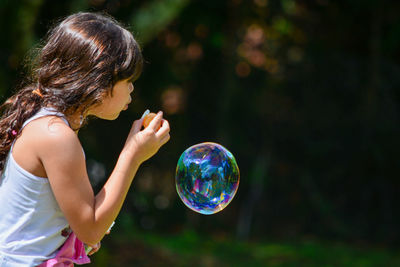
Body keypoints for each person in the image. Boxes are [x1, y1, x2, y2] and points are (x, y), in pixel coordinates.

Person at [0, 12, 170, 266]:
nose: (132, 89)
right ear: (99, 84)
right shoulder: (56, 136)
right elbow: (91, 229)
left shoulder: (45, 121)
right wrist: (132, 156)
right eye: (128, 80)